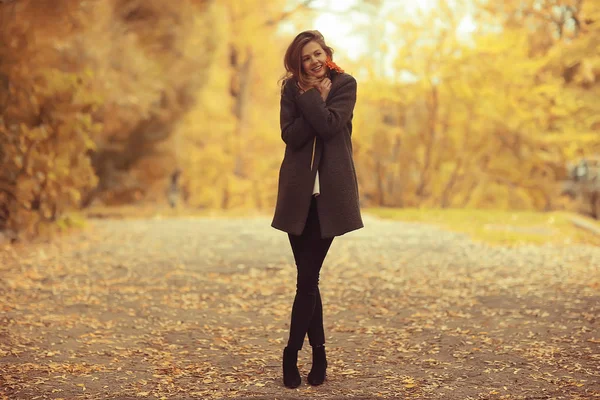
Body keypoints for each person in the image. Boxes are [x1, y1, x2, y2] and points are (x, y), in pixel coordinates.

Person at [271, 30, 364, 389]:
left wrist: (313, 103)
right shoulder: (290, 89)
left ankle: (291, 353)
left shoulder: (345, 84)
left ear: (327, 53)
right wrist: (313, 100)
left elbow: (328, 127)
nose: (313, 61)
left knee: (307, 279)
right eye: (306, 58)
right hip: (298, 195)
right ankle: (320, 354)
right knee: (309, 280)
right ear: (298, 63)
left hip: (329, 197)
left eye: (317, 54)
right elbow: (290, 136)